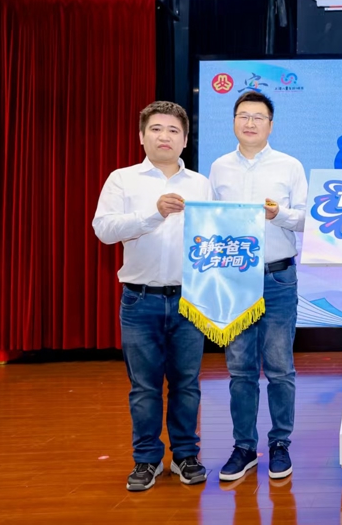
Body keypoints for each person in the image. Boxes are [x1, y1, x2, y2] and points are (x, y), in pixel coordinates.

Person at [93, 101, 212, 491]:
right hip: (139, 299)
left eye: (174, 130)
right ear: (142, 136)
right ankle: (146, 460)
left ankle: (185, 455)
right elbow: (104, 230)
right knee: (144, 387)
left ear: (185, 140)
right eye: (157, 129)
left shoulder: (200, 184)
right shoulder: (122, 180)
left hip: (189, 300)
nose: (165, 136)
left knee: (187, 384)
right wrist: (153, 214)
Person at [210, 90, 308, 482]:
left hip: (278, 277)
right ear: (234, 121)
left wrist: (279, 214)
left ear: (271, 124)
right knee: (240, 368)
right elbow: (209, 221)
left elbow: (307, 219)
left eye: (258, 117)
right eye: (243, 116)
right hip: (233, 278)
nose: (250, 123)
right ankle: (244, 447)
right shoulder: (218, 168)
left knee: (280, 367)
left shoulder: (289, 166)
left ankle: (280, 443)